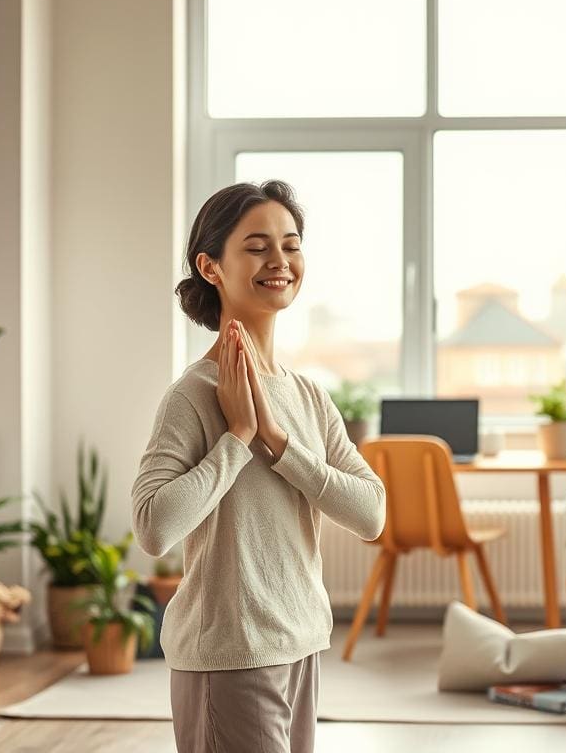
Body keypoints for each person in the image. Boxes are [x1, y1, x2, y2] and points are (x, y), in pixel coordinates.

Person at [130, 179, 386, 752]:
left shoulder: (309, 396)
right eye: (256, 246)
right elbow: (153, 526)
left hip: (301, 643)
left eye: (291, 245)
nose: (279, 261)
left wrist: (276, 442)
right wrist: (238, 436)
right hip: (230, 656)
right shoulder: (193, 395)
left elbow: (372, 513)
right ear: (211, 266)